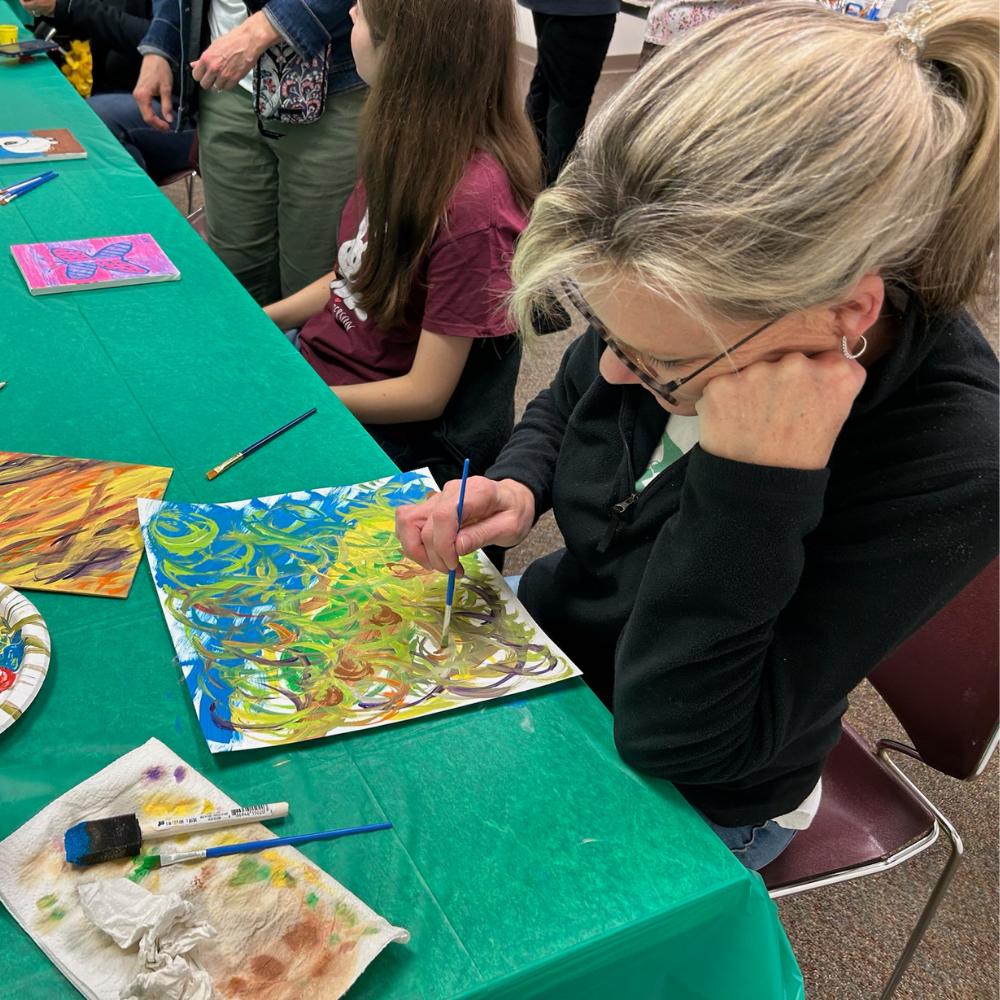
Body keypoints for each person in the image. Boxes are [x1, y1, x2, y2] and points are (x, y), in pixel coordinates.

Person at [396, 0, 999, 870]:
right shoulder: (685, 305)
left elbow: (683, 739)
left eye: (659, 365)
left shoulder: (952, 456)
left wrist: (760, 482)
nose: (613, 372)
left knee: (451, 882)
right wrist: (521, 482)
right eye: (611, 334)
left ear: (846, 315)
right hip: (563, 648)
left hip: (703, 778)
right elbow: (571, 398)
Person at [263, 0, 541, 488]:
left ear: (405, 52)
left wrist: (301, 395)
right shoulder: (406, 138)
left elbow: (425, 393)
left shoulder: (474, 206)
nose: (349, 13)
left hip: (391, 431)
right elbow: (351, 276)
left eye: (363, 13)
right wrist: (265, 320)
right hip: (322, 368)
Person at [133, 0, 364, 305]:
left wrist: (265, 27)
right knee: (235, 278)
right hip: (225, 83)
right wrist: (162, 40)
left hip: (331, 84)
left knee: (312, 279)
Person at [21, 0, 195, 180]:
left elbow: (162, 40)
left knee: (92, 120)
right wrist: (50, 8)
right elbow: (93, 22)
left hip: (181, 115)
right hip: (113, 96)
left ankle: (131, 205)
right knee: (39, 105)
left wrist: (67, 6)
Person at [518, 0, 620, 186]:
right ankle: (556, 192)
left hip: (554, 6)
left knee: (547, 83)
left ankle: (526, 173)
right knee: (568, 100)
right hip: (582, 9)